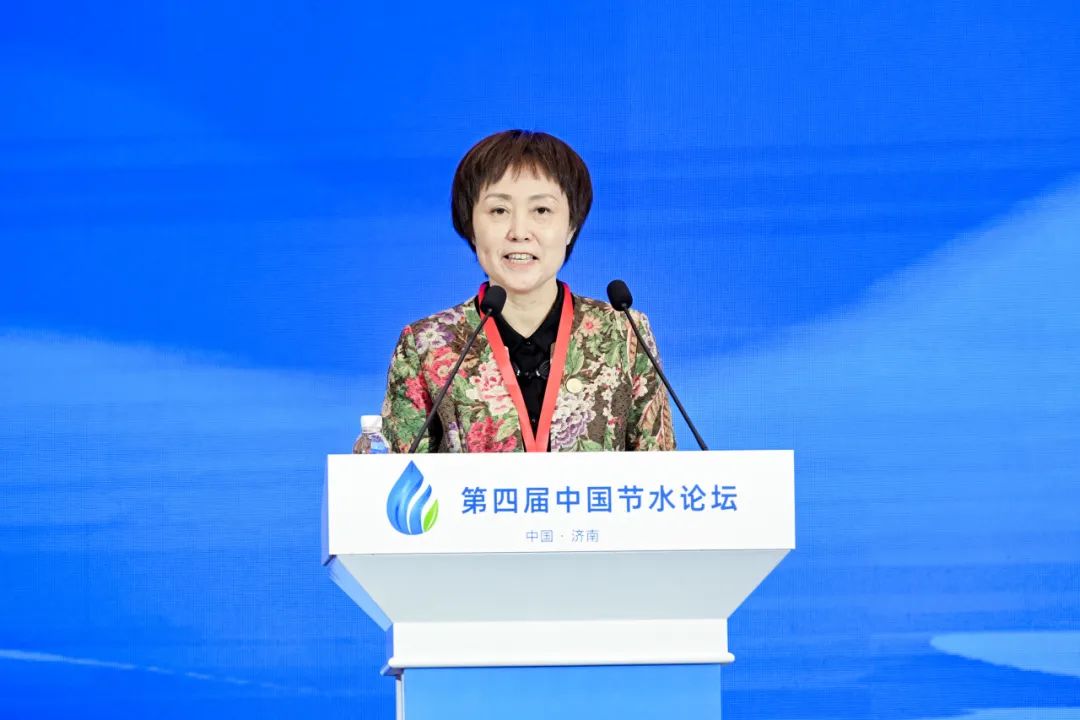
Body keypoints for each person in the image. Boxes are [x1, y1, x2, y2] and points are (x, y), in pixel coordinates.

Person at [379, 130, 675, 453]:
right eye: (498, 211)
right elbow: (391, 477)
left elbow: (661, 470)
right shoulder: (427, 345)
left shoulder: (624, 334)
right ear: (471, 226)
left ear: (571, 226)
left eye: (541, 211)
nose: (519, 232)